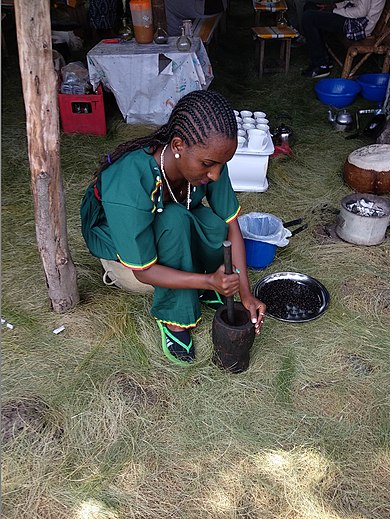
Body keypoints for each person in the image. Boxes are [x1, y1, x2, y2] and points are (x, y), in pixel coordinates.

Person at [80, 90, 266, 365]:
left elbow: (231, 226)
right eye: (208, 165)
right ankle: (176, 319)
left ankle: (197, 284)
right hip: (124, 251)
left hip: (168, 225)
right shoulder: (130, 180)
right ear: (178, 145)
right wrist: (209, 280)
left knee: (214, 225)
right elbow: (144, 272)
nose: (215, 174)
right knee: (174, 221)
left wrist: (246, 293)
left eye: (221, 164)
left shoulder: (209, 157)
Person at [301, 0, 386, 78]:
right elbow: (352, 2)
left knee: (309, 17)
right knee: (310, 6)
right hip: (354, 16)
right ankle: (324, 57)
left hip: (359, 24)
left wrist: (333, 10)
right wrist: (334, 6)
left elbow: (361, 11)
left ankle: (321, 65)